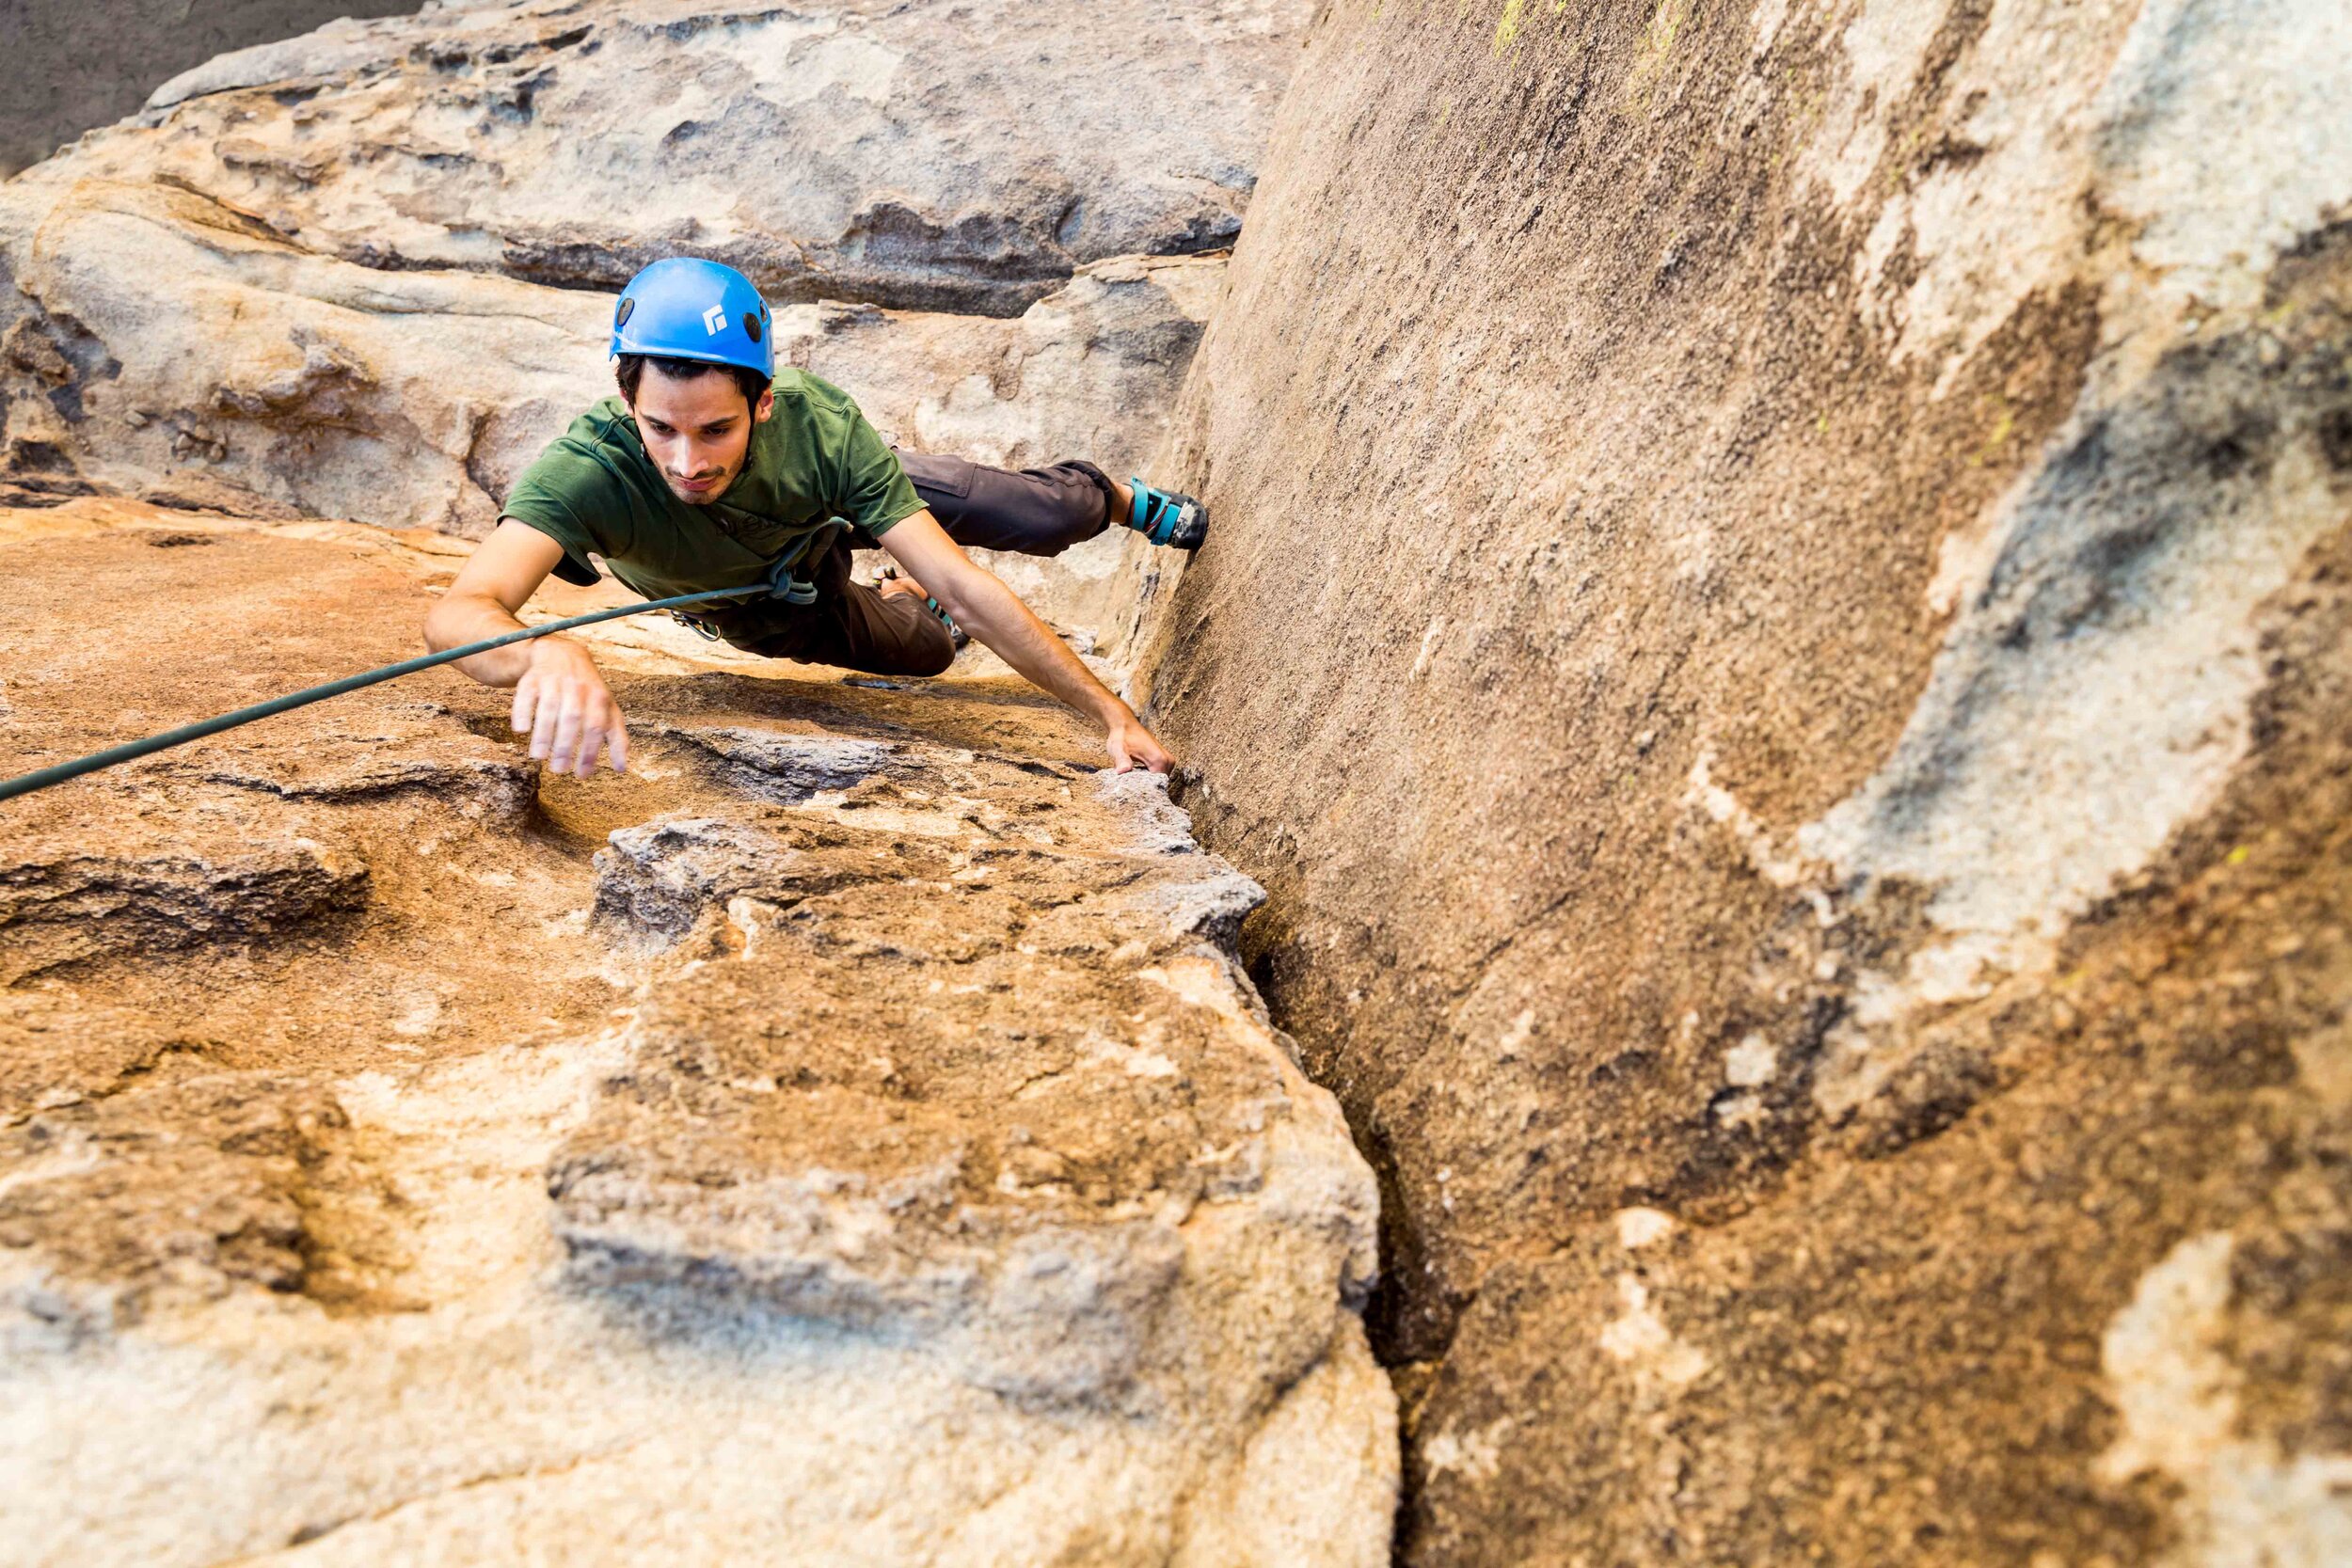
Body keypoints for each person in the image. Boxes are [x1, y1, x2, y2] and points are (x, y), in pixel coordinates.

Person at [423, 258, 1206, 779]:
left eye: (716, 430)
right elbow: (459, 613)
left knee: (1046, 515)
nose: (688, 462)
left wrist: (1110, 714)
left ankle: (1119, 498)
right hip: (765, 603)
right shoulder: (589, 471)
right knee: (933, 649)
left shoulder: (817, 428)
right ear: (629, 400)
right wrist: (541, 653)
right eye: (660, 427)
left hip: (827, 504)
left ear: (763, 403)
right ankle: (902, 596)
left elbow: (966, 585)